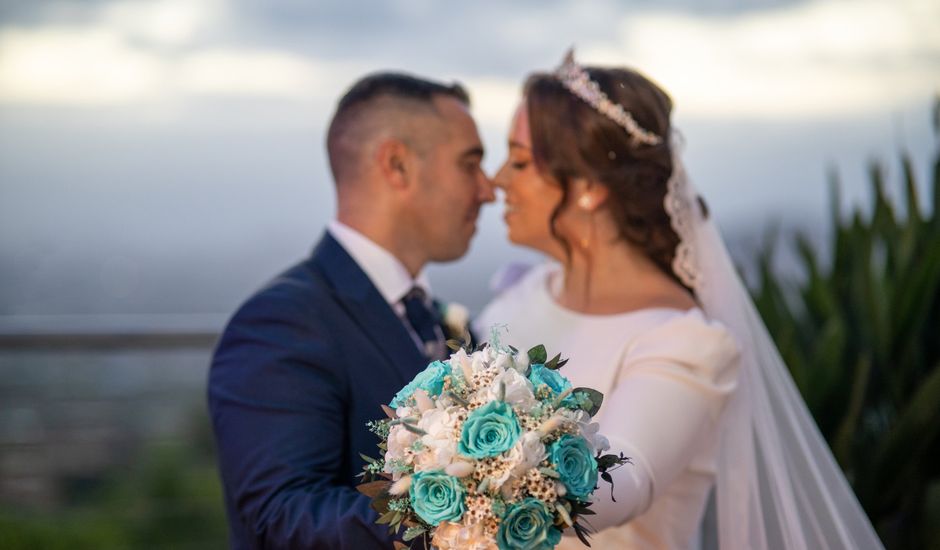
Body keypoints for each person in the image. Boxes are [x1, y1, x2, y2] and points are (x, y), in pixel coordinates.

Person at [477, 52, 884, 549]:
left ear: (588, 188)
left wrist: (453, 465)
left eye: (519, 161)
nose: (498, 180)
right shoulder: (519, 294)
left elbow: (625, 481)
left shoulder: (685, 341)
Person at [209, 72, 494, 549]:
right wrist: (470, 508)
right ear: (397, 165)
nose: (488, 190)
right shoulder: (281, 323)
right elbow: (279, 520)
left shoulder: (445, 321)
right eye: (470, 165)